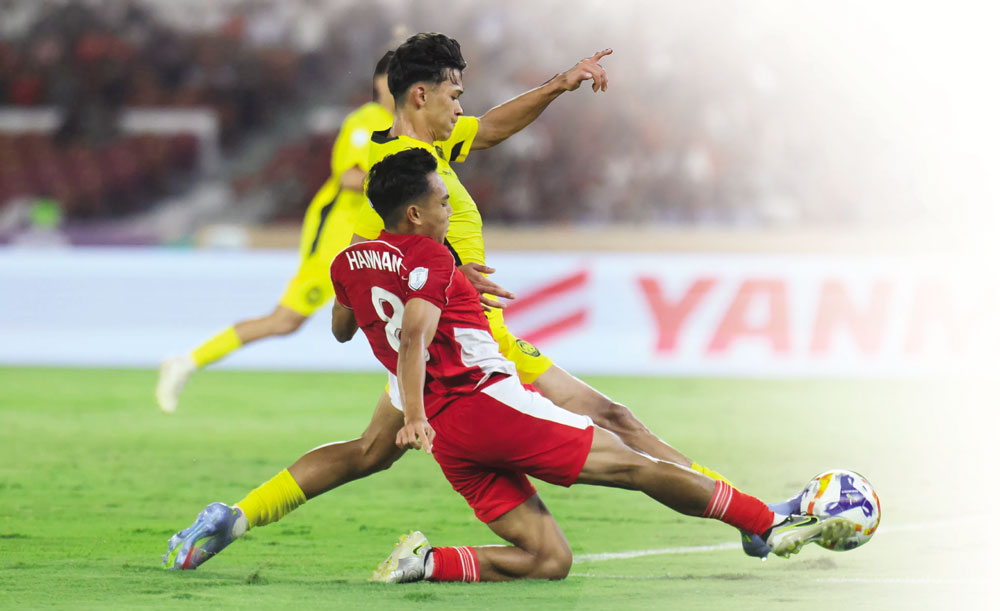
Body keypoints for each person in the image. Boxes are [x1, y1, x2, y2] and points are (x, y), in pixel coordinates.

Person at [162, 34, 786, 571]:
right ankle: (755, 516)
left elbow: (488, 131)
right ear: (421, 95)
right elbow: (378, 252)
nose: (463, 107)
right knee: (616, 422)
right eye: (454, 94)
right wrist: (451, 276)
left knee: (366, 453)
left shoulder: (419, 151)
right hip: (471, 345)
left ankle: (236, 516)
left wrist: (559, 84)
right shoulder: (400, 169)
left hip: (434, 348)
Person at [341, 149, 851, 582]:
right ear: (414, 213)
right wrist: (412, 416)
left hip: (451, 440)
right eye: (443, 202)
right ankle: (765, 522)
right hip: (486, 405)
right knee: (636, 465)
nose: (450, 210)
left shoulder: (350, 262)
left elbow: (344, 327)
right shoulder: (431, 257)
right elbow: (414, 335)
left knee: (549, 560)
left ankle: (425, 562)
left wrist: (442, 291)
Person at [155, 51, 396, 414]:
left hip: (370, 240)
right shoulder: (367, 121)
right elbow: (349, 176)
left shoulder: (405, 125)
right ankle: (187, 361)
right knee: (286, 320)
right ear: (380, 83)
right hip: (336, 242)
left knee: (393, 312)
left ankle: (424, 397)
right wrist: (399, 184)